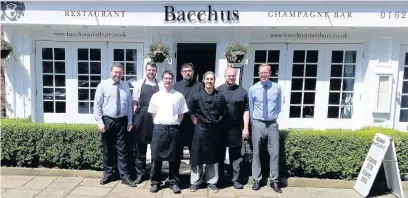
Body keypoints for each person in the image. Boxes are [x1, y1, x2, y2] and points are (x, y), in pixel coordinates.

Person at [93, 62, 137, 187]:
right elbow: (97, 105)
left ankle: (124, 176)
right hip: (107, 121)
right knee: (108, 150)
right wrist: (100, 122)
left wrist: (129, 122)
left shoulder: (125, 86)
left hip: (122, 121)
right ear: (111, 72)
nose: (117, 74)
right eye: (115, 72)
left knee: (122, 150)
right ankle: (107, 175)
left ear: (123, 73)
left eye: (120, 72)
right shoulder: (103, 85)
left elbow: (129, 105)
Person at [147, 70, 189, 194]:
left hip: (173, 129)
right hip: (159, 129)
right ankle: (155, 182)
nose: (168, 80)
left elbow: (181, 114)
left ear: (173, 80)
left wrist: (174, 123)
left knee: (174, 158)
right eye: (165, 78)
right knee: (156, 158)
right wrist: (161, 122)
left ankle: (174, 182)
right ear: (162, 80)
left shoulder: (179, 95)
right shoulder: (156, 96)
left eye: (170, 78)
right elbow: (153, 114)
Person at [189, 71, 227, 193]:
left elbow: (223, 112)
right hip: (200, 128)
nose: (209, 81)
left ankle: (212, 182)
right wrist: (197, 122)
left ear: (214, 81)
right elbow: (191, 111)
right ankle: (195, 182)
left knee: (213, 156)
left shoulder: (220, 96)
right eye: (207, 79)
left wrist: (215, 121)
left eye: (211, 79)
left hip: (214, 129)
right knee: (197, 156)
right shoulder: (197, 95)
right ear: (204, 80)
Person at [248, 64, 282, 193]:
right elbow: (251, 108)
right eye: (261, 73)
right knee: (256, 152)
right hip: (258, 123)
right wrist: (253, 124)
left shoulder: (277, 88)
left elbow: (278, 106)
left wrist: (272, 118)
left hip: (272, 124)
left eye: (265, 73)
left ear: (270, 73)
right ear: (258, 73)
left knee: (274, 153)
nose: (263, 75)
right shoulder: (253, 89)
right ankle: (257, 180)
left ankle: (274, 181)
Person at [216, 67, 249, 189]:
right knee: (219, 155)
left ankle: (235, 179)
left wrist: (245, 128)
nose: (231, 77)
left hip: (236, 128)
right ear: (225, 76)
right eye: (229, 75)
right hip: (220, 129)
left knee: (235, 156)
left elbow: (246, 111)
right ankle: (219, 179)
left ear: (236, 76)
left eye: (233, 76)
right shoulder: (218, 90)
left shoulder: (242, 92)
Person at [132, 61, 163, 184]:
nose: (151, 72)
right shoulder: (139, 84)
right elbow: (135, 102)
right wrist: (135, 118)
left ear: (156, 71)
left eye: (153, 70)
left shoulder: (160, 84)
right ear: (146, 71)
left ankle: (154, 175)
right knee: (140, 148)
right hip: (141, 117)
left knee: (155, 149)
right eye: (149, 70)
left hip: (155, 119)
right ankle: (140, 174)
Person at [173, 63, 203, 154]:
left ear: (193, 72)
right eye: (185, 71)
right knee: (178, 147)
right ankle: (176, 168)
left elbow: (202, 102)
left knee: (194, 147)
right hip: (179, 120)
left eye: (189, 71)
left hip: (194, 120)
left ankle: (194, 167)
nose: (187, 73)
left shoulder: (200, 86)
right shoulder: (176, 86)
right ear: (181, 73)